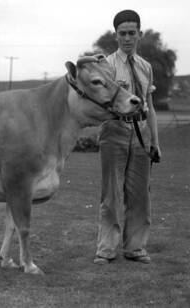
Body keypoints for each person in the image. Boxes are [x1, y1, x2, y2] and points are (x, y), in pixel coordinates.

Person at [94, 9, 161, 265]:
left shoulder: (146, 67)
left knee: (140, 193)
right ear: (116, 36)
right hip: (115, 131)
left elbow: (150, 107)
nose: (127, 38)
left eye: (132, 33)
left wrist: (155, 141)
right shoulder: (107, 66)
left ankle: (135, 248)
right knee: (111, 193)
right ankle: (106, 250)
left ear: (139, 34)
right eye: (122, 33)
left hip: (141, 132)